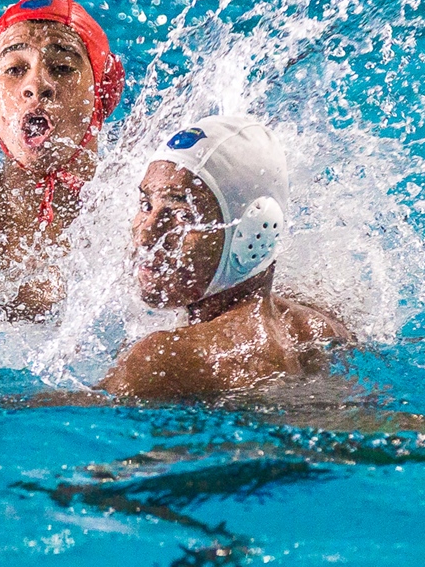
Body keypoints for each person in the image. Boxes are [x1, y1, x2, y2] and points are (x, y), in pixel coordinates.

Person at [99, 115, 351, 400]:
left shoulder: (161, 360)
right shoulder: (314, 328)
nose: (146, 236)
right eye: (146, 205)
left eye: (183, 216)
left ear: (255, 230)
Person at [0, 0, 125, 320]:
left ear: (104, 90)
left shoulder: (137, 219)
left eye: (63, 67)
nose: (36, 84)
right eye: (15, 68)